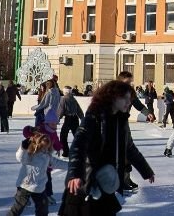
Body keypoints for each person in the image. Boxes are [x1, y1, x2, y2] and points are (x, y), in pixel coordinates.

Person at [60, 80, 155, 215]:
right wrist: (75, 173)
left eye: (130, 99)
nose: (129, 103)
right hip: (85, 182)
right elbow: (78, 145)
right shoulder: (94, 116)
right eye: (125, 99)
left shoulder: (120, 121)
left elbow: (129, 148)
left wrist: (146, 170)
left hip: (106, 183)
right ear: (113, 97)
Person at [8, 132, 68, 216]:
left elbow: (58, 163)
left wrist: (72, 165)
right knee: (18, 207)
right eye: (43, 146)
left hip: (39, 187)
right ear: (37, 144)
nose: (45, 149)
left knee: (43, 208)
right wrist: (23, 147)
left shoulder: (47, 156)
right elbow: (20, 157)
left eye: (47, 147)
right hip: (25, 185)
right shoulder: (30, 154)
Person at [57, 86, 85, 158]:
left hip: (68, 119)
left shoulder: (63, 99)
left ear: (65, 91)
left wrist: (57, 118)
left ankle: (66, 152)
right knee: (76, 136)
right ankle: (79, 151)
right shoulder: (73, 98)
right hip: (75, 119)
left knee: (63, 136)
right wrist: (82, 118)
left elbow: (61, 110)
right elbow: (79, 109)